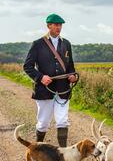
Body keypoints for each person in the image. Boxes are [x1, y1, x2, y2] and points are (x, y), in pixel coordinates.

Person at [23, 13, 77, 147]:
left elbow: (70, 66)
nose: (59, 27)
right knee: (43, 123)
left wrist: (72, 75)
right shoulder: (38, 44)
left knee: (62, 121)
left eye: (60, 25)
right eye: (56, 25)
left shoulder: (66, 44)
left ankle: (63, 154)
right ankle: (38, 151)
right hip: (44, 90)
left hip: (63, 89)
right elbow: (27, 66)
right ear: (49, 26)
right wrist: (41, 77)